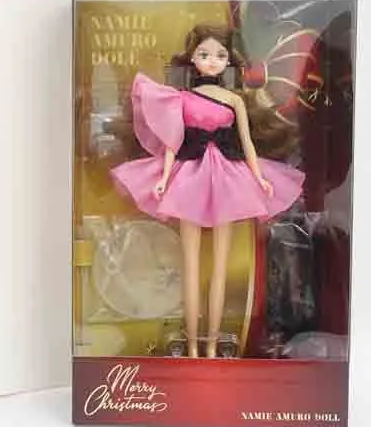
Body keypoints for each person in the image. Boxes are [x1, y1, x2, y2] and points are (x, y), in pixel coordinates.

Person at [110, 24, 305, 358]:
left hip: (227, 178)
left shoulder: (235, 100)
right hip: (189, 177)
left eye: (219, 55)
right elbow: (172, 143)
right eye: (204, 54)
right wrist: (164, 177)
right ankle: (191, 346)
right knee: (190, 266)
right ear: (193, 59)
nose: (212, 61)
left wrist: (260, 178)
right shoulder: (181, 99)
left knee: (220, 268)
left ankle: (212, 346)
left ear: (229, 61)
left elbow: (247, 144)